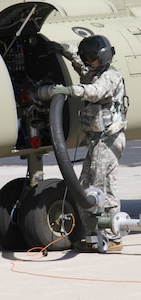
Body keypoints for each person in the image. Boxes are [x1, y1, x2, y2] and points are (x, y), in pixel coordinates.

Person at [47, 35, 127, 252]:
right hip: (96, 141)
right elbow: (78, 63)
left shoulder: (110, 77)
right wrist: (62, 48)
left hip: (109, 140)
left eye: (91, 58)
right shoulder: (93, 73)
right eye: (86, 58)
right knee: (83, 188)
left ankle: (113, 237)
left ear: (102, 58)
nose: (87, 62)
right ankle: (93, 236)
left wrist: (69, 91)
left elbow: (94, 92)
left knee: (102, 187)